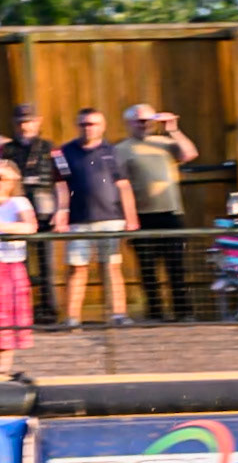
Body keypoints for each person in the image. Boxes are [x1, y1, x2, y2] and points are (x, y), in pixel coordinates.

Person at [53, 108, 137, 328]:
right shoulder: (65, 152)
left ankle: (118, 314)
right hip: (78, 220)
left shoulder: (113, 151)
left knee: (110, 267)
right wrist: (61, 213)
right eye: (84, 124)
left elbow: (123, 185)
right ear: (77, 125)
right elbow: (61, 186)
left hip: (110, 218)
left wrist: (131, 218)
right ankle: (71, 318)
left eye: (93, 124)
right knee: (77, 269)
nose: (88, 128)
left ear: (102, 126)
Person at [117, 104, 197, 323]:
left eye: (147, 120)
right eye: (138, 121)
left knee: (176, 265)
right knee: (148, 268)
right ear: (129, 123)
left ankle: (183, 312)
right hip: (143, 215)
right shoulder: (122, 149)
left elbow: (190, 154)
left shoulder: (165, 142)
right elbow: (121, 183)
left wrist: (173, 129)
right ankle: (155, 312)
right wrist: (129, 217)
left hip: (171, 213)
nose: (144, 124)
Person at [3, 104, 59, 324]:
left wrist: (61, 210)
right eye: (21, 122)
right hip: (15, 213)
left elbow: (61, 182)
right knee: (20, 267)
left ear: (38, 121)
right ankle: (22, 311)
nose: (25, 126)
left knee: (47, 266)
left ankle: (49, 311)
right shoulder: (7, 150)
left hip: (44, 212)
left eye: (29, 121)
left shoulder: (50, 148)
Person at [0, 161, 37, 371]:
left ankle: (3, 370)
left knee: (7, 318)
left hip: (9, 266)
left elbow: (29, 226)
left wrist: (2, 227)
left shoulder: (18, 202)